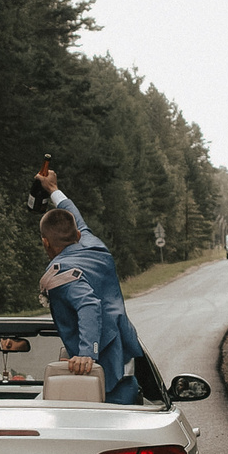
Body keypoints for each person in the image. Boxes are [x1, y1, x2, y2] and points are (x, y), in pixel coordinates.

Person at [32, 162, 145, 405]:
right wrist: (53, 189)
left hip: (102, 366)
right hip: (123, 351)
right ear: (78, 235)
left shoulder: (61, 274)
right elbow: (74, 216)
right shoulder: (93, 244)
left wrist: (86, 354)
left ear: (45, 243)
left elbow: (89, 305)